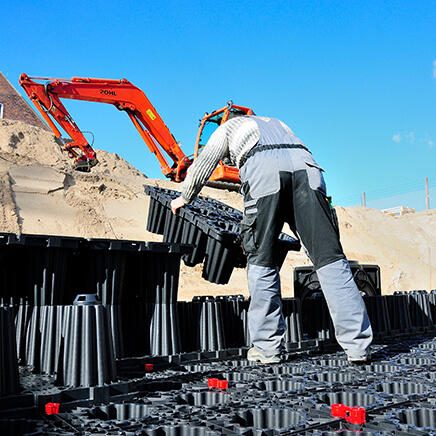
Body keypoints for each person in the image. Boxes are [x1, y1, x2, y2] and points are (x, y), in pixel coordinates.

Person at [170, 114, 372, 364]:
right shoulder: (277, 122)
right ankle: (358, 346)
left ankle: (267, 349)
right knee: (329, 259)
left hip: (263, 172)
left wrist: (185, 197)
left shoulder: (226, 128)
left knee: (262, 258)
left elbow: (204, 162)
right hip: (308, 170)